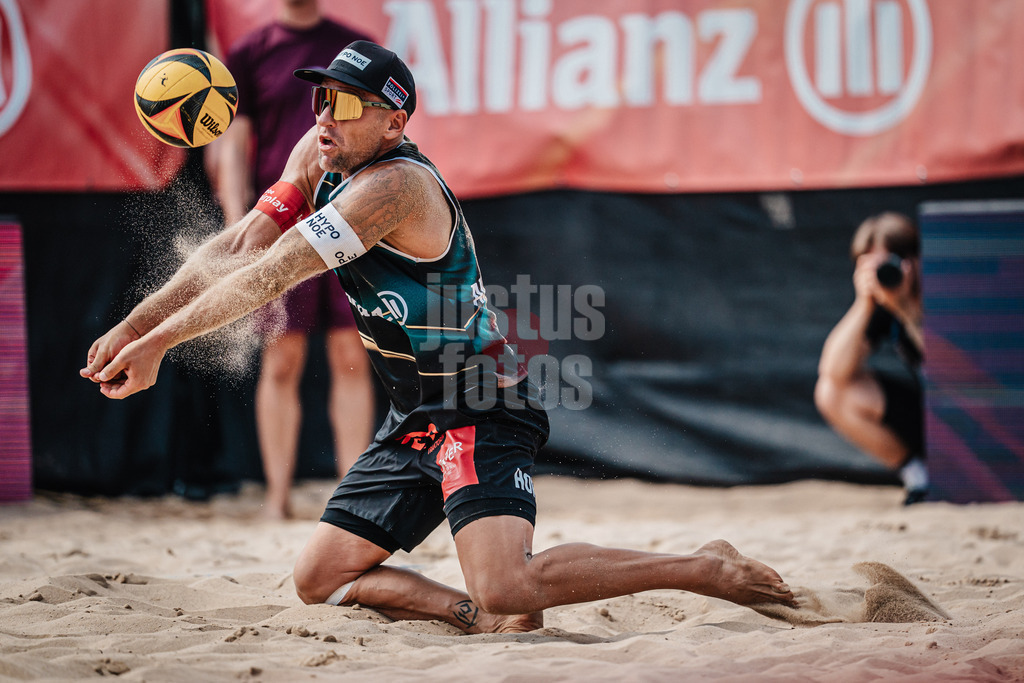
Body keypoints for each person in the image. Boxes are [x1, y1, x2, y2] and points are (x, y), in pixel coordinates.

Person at [82, 41, 795, 634]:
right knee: (319, 576)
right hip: (414, 412)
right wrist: (136, 324)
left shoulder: (395, 189)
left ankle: (705, 566)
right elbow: (240, 243)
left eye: (350, 104)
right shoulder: (320, 148)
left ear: (394, 124)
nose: (327, 116)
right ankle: (472, 615)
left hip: (479, 402)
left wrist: (159, 345)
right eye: (321, 97)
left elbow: (271, 274)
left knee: (511, 582)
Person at [215, 0, 376, 518]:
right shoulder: (251, 51)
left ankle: (351, 501)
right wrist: (239, 218)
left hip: (349, 218)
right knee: (281, 359)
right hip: (283, 221)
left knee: (350, 355)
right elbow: (232, 143)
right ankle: (276, 499)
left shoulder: (352, 47)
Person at [815, 212, 928, 505]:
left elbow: (950, 370)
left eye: (887, 264)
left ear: (913, 261)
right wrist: (864, 303)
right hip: (927, 418)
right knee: (832, 392)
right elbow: (833, 370)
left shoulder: (941, 291)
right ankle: (919, 476)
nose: (883, 274)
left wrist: (908, 312)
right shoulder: (883, 303)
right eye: (870, 266)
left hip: (975, 408)